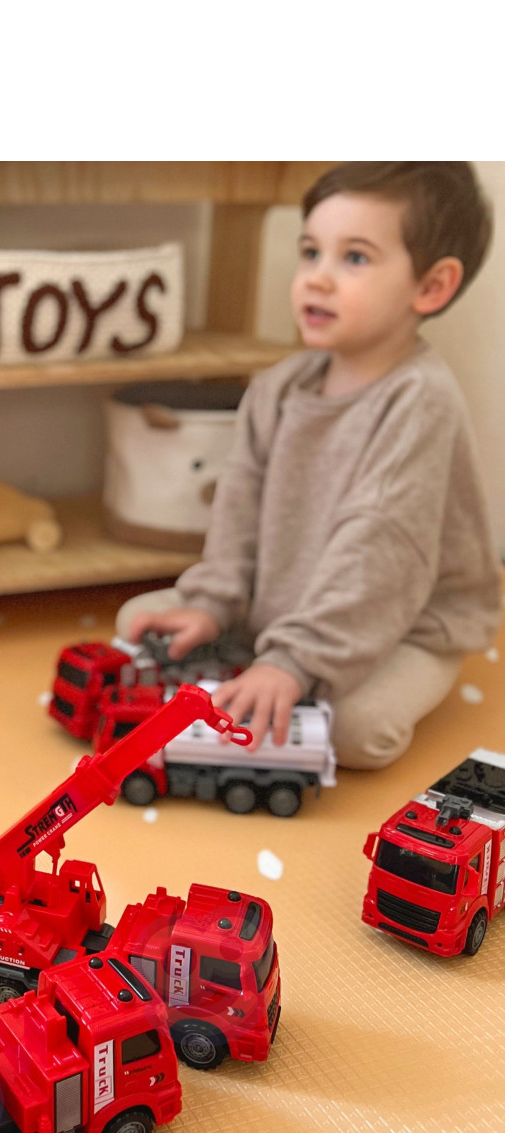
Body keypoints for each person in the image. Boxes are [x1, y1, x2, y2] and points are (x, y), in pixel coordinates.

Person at [117, 162, 502, 769]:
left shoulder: (419, 402)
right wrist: (212, 601)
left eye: (355, 257)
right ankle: (281, 649)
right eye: (310, 252)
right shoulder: (278, 387)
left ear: (430, 287)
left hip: (403, 618)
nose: (316, 279)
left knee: (351, 729)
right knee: (138, 620)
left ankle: (310, 659)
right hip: (290, 601)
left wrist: (294, 662)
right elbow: (238, 508)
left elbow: (378, 553)